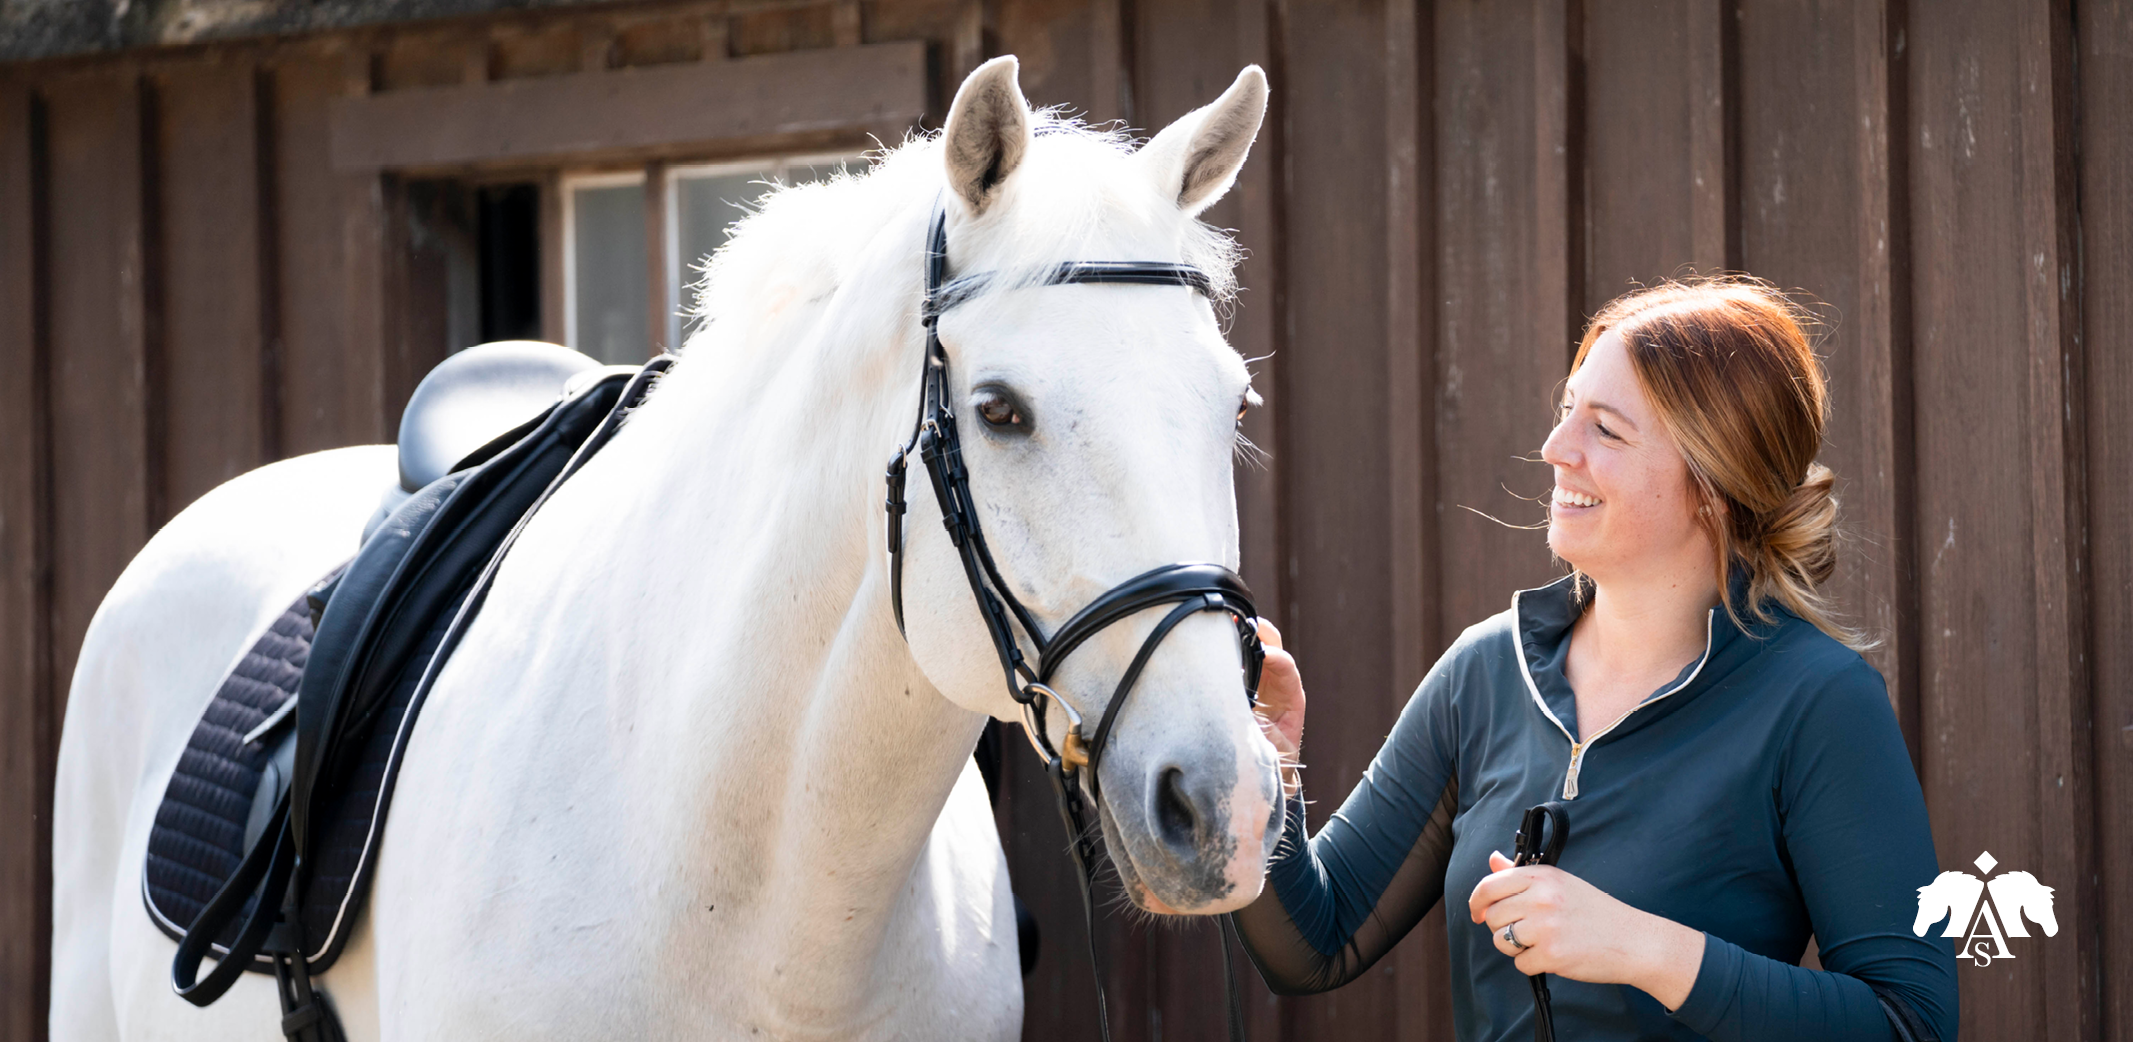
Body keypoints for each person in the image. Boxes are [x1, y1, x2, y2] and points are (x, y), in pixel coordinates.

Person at [1233, 278, 1958, 1042]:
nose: (1555, 448)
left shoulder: (1817, 701)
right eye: (1565, 409)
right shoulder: (1483, 673)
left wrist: (1643, 949)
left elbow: (1909, 1023)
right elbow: (1314, 944)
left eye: (1605, 430)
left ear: (1712, 485)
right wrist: (1264, 769)